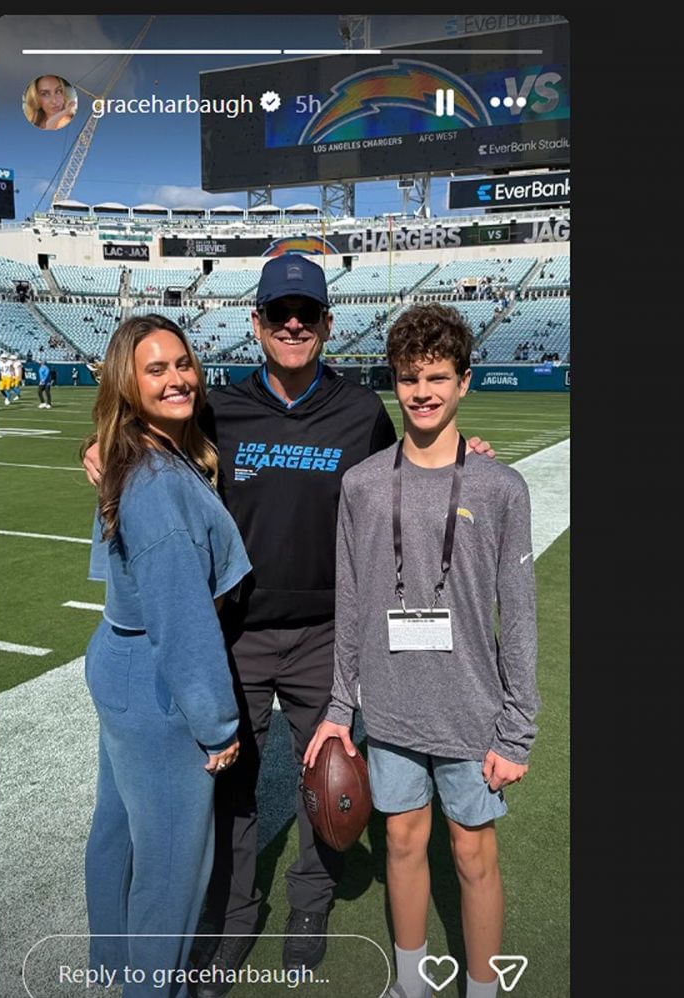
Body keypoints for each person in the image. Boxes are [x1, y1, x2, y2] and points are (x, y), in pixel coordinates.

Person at [84, 256, 493, 996]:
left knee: (329, 790)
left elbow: (402, 481)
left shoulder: (361, 411)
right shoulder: (217, 407)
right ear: (258, 325)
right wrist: (103, 450)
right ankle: (234, 918)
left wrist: (464, 460)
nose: (294, 325)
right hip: (236, 631)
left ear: (328, 324)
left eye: (307, 313)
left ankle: (309, 912)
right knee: (232, 790)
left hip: (329, 634)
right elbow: (154, 447)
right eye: (280, 314)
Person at [304, 302, 539, 998]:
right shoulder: (363, 486)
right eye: (408, 378)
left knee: (472, 855)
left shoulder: (501, 488)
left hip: (472, 711)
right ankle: (410, 983)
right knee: (403, 844)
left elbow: (519, 619)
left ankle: (484, 988)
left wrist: (517, 731)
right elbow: (350, 603)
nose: (423, 391)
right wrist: (341, 707)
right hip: (392, 705)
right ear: (394, 384)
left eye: (437, 376)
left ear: (465, 381)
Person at [80, 314, 247, 998]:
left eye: (182, 362)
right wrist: (217, 723)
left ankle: (114, 972)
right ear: (128, 382)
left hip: (121, 663)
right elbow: (181, 619)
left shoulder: (137, 453)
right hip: (157, 679)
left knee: (117, 832)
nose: (177, 377)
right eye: (156, 369)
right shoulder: (153, 478)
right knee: (172, 870)